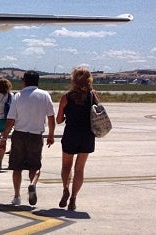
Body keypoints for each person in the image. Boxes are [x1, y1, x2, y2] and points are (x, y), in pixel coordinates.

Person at [0, 70, 55, 206]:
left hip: (19, 135)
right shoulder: (44, 95)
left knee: (16, 167)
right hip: (36, 135)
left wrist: (4, 137)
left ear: (24, 81)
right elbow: (51, 117)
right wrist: (51, 135)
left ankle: (17, 196)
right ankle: (32, 184)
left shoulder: (18, 96)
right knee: (35, 166)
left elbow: (10, 120)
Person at [56, 67, 98, 211]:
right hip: (87, 135)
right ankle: (73, 198)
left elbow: (59, 120)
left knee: (66, 166)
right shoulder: (93, 95)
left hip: (71, 134)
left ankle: (65, 188)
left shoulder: (66, 97)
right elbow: (98, 112)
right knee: (79, 169)